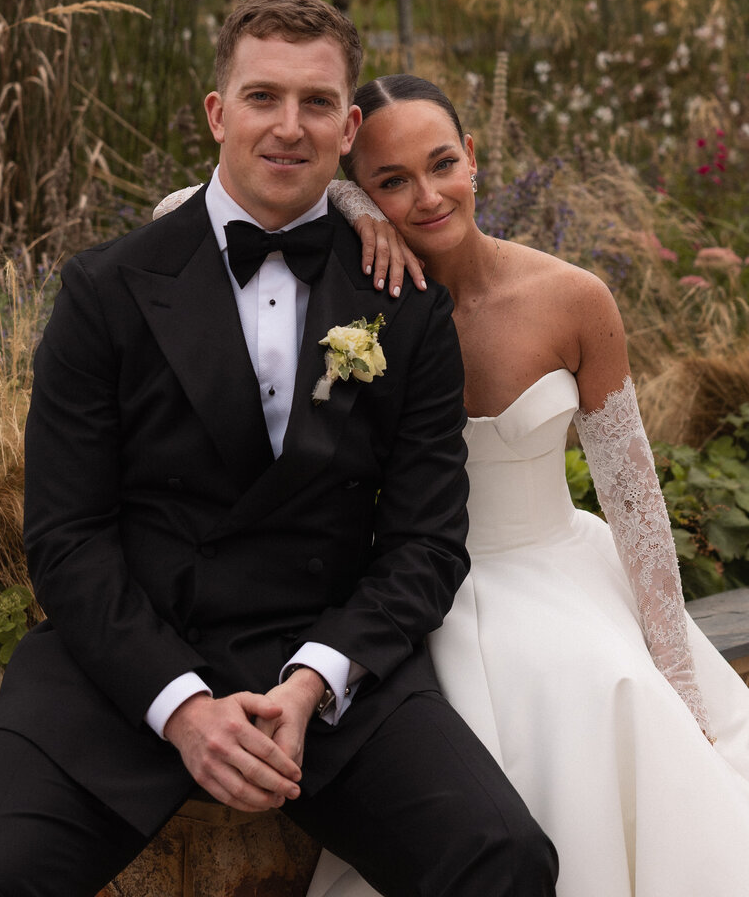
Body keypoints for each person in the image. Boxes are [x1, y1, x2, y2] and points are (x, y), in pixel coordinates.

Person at [0, 0, 558, 897]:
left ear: (349, 127)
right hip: (126, 666)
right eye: (262, 96)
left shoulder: (405, 303)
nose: (287, 126)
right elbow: (66, 538)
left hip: (322, 664)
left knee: (501, 858)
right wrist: (182, 706)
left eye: (316, 103)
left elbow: (428, 544)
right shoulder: (103, 289)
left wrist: (316, 681)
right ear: (216, 112)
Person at [301, 73, 749, 897]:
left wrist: (679, 680)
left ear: (473, 158)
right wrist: (352, 212)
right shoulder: (353, 299)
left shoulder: (573, 298)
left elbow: (635, 502)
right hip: (413, 585)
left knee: (595, 683)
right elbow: (185, 204)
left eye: (442, 164)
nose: (428, 196)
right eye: (390, 181)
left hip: (557, 569)